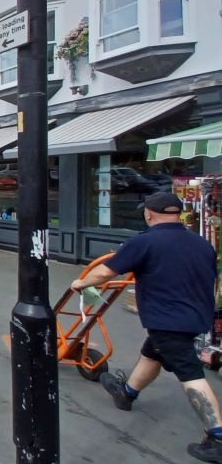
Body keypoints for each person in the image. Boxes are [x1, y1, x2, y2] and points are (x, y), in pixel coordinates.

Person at [70, 192, 222, 463]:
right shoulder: (201, 244)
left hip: (167, 320)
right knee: (153, 352)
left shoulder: (144, 241)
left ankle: (217, 437)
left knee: (190, 373)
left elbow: (105, 272)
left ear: (149, 213)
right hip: (196, 317)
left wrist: (81, 283)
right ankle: (126, 393)